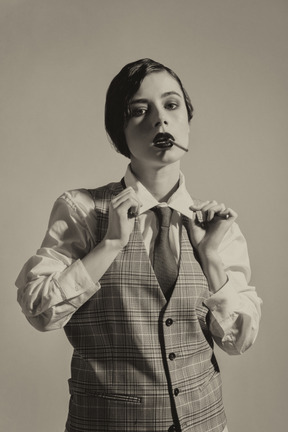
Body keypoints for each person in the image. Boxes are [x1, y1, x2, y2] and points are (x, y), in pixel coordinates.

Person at [16, 58, 262, 432]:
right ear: (120, 130)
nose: (159, 120)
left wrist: (210, 259)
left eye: (171, 105)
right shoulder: (81, 209)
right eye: (138, 110)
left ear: (188, 119)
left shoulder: (216, 226)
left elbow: (238, 342)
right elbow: (39, 311)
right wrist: (110, 244)